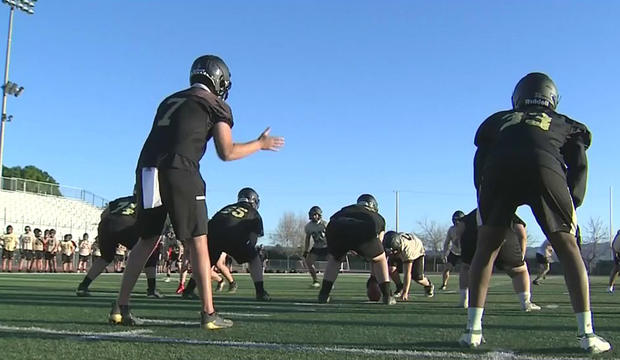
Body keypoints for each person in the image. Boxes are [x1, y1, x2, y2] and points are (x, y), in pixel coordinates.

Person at [109, 54, 284, 330]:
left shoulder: (170, 100)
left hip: (146, 169)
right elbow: (226, 152)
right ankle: (208, 312)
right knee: (199, 240)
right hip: (180, 169)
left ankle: (120, 307)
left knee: (147, 239)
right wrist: (259, 144)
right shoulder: (215, 104)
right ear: (218, 79)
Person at [460, 72, 610, 353]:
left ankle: (472, 330)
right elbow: (578, 164)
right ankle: (587, 334)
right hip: (545, 166)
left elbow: (480, 159)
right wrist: (572, 202)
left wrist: (483, 195)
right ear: (552, 98)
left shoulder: (498, 120)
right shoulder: (564, 122)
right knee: (567, 247)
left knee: (486, 249)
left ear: (517, 97)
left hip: (498, 171)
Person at [183, 188, 270, 300]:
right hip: (233, 234)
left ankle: (189, 289)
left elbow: (214, 221)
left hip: (212, 232)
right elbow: (253, 239)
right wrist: (247, 250)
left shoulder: (227, 207)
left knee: (206, 262)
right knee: (254, 258)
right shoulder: (254, 213)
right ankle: (260, 292)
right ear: (254, 200)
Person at [77, 195, 163, 298]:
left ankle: (83, 286)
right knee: (150, 254)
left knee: (105, 257)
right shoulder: (146, 201)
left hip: (105, 224)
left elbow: (104, 214)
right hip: (127, 224)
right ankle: (151, 289)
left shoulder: (120, 200)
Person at [318, 194, 394, 305]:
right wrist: (364, 252)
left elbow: (333, 220)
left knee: (335, 260)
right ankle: (387, 295)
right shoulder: (378, 217)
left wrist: (351, 246)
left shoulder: (346, 209)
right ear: (373, 206)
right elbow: (379, 245)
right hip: (362, 229)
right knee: (380, 259)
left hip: (335, 226)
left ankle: (324, 294)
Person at [459, 209, 541, 312]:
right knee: (520, 271)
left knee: (466, 268)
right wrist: (522, 254)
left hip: (471, 239)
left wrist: (459, 244)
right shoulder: (505, 210)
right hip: (502, 237)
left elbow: (460, 228)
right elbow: (521, 233)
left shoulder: (474, 213)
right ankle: (525, 302)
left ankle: (464, 300)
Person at [383, 231, 434, 300]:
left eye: (393, 251)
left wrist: (405, 292)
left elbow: (407, 273)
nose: (391, 253)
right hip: (402, 248)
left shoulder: (407, 250)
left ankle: (428, 285)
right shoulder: (389, 243)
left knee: (417, 278)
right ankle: (399, 286)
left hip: (417, 252)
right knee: (390, 269)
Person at [303, 206, 329, 288]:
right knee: (308, 262)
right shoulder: (308, 226)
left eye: (315, 214)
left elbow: (331, 236)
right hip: (317, 246)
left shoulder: (325, 224)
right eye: (312, 214)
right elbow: (307, 239)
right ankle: (315, 280)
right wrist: (306, 250)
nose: (313, 216)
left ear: (319, 215)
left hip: (327, 246)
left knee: (331, 263)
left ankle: (329, 282)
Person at [441, 211, 466, 290]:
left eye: (458, 220)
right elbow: (447, 242)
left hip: (465, 252)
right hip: (454, 252)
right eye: (455, 220)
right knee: (446, 269)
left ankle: (468, 285)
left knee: (466, 269)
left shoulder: (467, 228)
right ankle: (444, 284)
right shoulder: (451, 229)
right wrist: (444, 254)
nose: (456, 222)